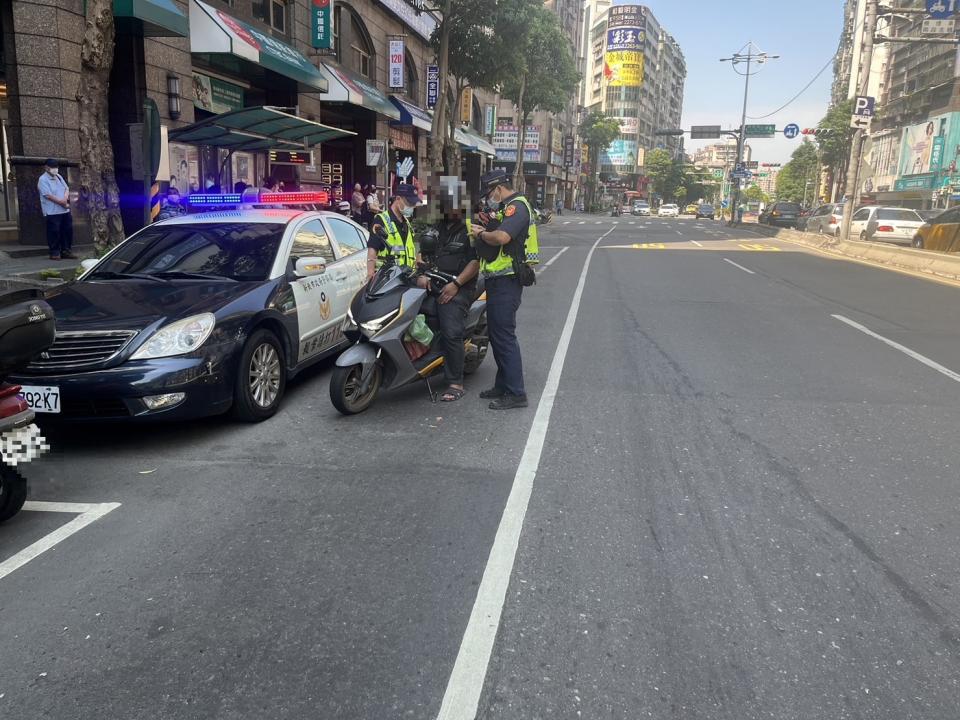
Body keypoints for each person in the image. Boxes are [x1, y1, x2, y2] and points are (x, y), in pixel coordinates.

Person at [470, 169, 538, 410]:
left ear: (498, 188)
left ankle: (516, 392)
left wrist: (482, 233)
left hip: (507, 280)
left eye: (489, 193)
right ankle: (503, 384)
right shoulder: (505, 208)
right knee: (497, 336)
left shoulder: (517, 207)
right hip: (497, 279)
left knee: (504, 337)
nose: (489, 198)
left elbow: (501, 238)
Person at [417, 177, 479, 403]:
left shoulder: (471, 229)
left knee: (451, 330)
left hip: (457, 287)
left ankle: (455, 382)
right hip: (433, 281)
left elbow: (475, 263)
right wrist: (422, 274)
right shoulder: (436, 227)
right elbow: (422, 254)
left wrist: (456, 285)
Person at [367, 183, 418, 279]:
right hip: (386, 279)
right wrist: (370, 274)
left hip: (407, 278)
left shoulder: (406, 223)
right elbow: (372, 248)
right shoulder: (381, 220)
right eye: (409, 203)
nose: (412, 206)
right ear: (398, 199)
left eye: (413, 204)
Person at [37, 158, 74, 260]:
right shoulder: (42, 179)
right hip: (52, 211)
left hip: (64, 210)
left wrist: (65, 199)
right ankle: (55, 252)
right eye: (52, 167)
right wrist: (62, 203)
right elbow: (48, 195)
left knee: (67, 230)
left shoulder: (58, 176)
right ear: (46, 168)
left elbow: (66, 188)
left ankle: (66, 250)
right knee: (54, 232)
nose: (55, 169)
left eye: (56, 167)